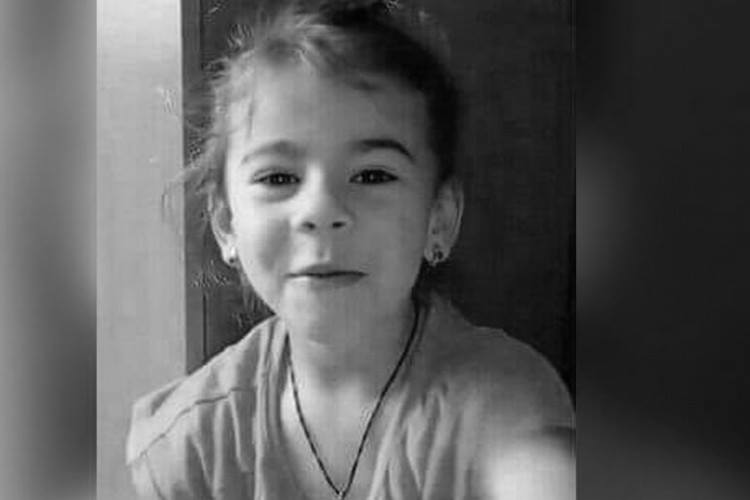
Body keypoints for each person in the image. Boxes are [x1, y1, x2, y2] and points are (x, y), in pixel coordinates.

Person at [126, 1, 574, 498]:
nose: (321, 210)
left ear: (439, 219)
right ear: (227, 224)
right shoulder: (191, 445)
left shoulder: (503, 407)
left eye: (372, 175)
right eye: (279, 178)